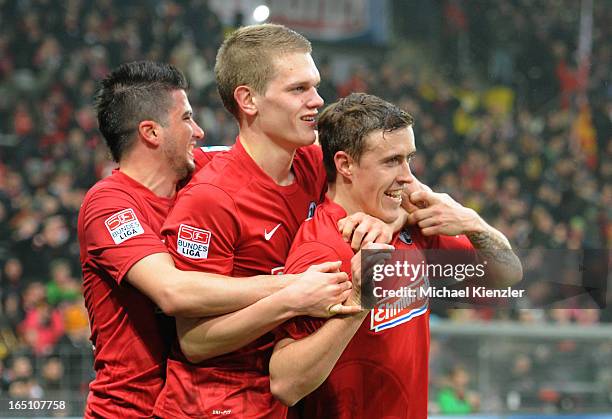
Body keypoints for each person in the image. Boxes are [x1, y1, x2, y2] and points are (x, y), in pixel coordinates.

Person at [78, 61, 355, 418]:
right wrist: (293, 289)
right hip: (127, 410)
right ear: (151, 132)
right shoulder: (109, 204)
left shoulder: (207, 170)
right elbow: (173, 292)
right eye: (186, 118)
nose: (199, 131)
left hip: (196, 402)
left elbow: (279, 152)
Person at [152, 25, 393, 419]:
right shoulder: (210, 198)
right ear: (248, 100)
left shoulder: (315, 165)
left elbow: (395, 187)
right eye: (298, 90)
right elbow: (194, 342)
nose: (317, 101)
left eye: (315, 86)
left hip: (282, 401)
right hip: (210, 407)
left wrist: (380, 219)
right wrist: (291, 297)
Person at [268, 93, 522, 418]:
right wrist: (358, 303)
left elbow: (508, 273)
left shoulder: (411, 225)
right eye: (391, 161)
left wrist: (471, 221)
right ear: (345, 164)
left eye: (409, 159)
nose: (407, 175)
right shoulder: (322, 247)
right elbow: (285, 383)